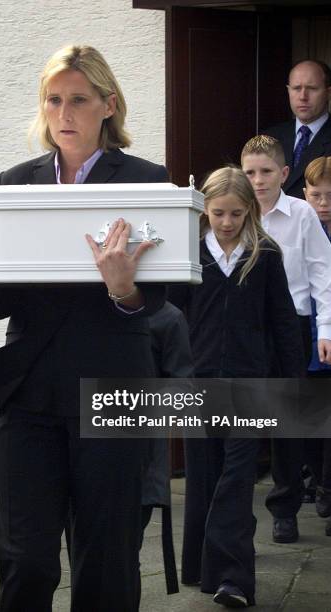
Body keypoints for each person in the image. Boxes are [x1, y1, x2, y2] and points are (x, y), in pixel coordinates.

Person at [0, 45, 171, 612]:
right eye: (54, 100)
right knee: (25, 558)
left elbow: (167, 298)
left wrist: (124, 288)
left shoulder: (147, 180)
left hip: (114, 390)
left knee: (106, 560)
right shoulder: (15, 182)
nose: (64, 112)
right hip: (29, 390)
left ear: (109, 105)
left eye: (78, 99)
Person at [169, 166, 303, 608]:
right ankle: (200, 566)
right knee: (203, 475)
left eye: (237, 214)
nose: (227, 222)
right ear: (204, 211)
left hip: (251, 383)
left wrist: (292, 383)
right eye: (219, 213)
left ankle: (233, 579)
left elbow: (283, 321)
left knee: (237, 477)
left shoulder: (264, 255)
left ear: (250, 212)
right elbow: (170, 318)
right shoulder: (190, 254)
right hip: (198, 381)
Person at [241, 135, 331, 545]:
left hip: (291, 327)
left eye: (265, 172)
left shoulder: (301, 215)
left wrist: (325, 330)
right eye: (249, 172)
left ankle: (285, 509)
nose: (257, 181)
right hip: (245, 328)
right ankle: (235, 509)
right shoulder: (234, 214)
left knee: (289, 422)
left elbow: (321, 274)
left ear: (285, 173)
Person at [303, 157, 331, 532]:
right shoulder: (300, 225)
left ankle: (327, 487)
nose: (323, 203)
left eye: (330, 195)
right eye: (316, 195)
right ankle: (311, 477)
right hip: (307, 329)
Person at [264, 59, 331, 200]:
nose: (303, 97)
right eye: (296, 88)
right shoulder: (270, 138)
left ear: (328, 92)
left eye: (312, 89)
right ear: (288, 91)